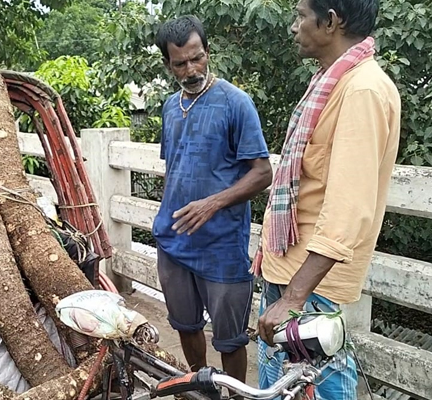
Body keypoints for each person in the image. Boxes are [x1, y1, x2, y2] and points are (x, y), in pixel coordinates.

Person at [253, 0, 401, 398]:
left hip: (311, 288)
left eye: (301, 16)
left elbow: (348, 209)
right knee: (280, 388)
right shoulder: (332, 82)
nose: (294, 26)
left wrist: (294, 298)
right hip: (292, 276)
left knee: (318, 387)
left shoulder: (362, 90)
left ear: (331, 21)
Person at [151, 16, 273, 383]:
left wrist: (212, 203)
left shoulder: (236, 103)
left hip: (222, 245)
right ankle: (201, 387)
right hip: (173, 240)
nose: (191, 69)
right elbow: (178, 167)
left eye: (197, 58)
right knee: (185, 326)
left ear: (207, 52)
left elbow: (263, 173)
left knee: (230, 340)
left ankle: (234, 392)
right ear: (167, 64)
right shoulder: (171, 106)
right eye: (181, 63)